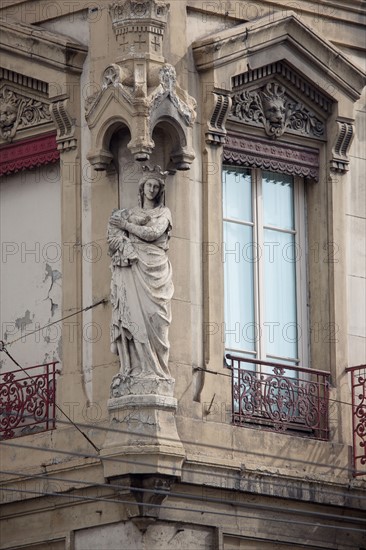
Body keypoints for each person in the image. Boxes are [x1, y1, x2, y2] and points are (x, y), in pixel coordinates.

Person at [107, 168, 173, 379]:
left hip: (156, 268)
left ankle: (158, 370)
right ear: (142, 188)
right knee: (133, 316)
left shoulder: (164, 213)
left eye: (156, 186)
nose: (152, 190)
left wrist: (126, 226)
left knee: (157, 318)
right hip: (134, 267)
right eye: (149, 185)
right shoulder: (128, 213)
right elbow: (113, 237)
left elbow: (153, 233)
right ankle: (138, 368)